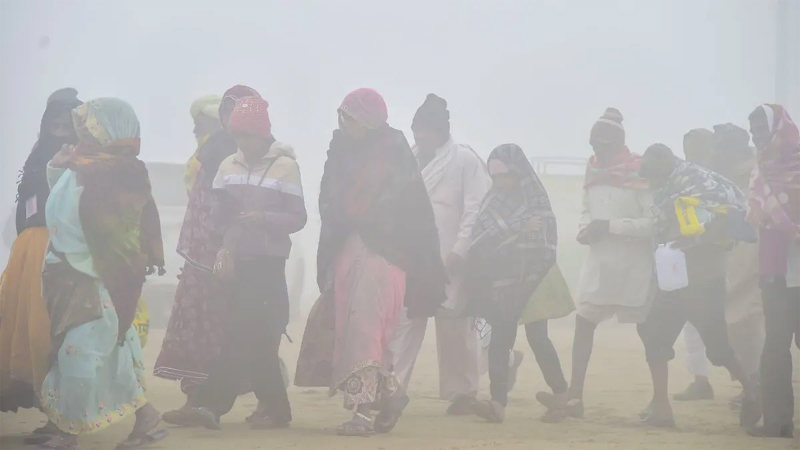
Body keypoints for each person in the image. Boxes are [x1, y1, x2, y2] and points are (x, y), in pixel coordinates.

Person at [295, 88, 446, 436]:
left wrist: (360, 214)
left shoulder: (393, 152)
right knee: (353, 331)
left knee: (365, 330)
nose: (343, 124)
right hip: (347, 250)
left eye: (350, 118)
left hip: (385, 254)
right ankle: (391, 393)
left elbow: (408, 210)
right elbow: (329, 201)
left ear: (368, 120)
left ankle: (362, 413)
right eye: (342, 116)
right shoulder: (341, 152)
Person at [155, 85, 292, 424]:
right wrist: (225, 245)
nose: (236, 129)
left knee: (247, 332)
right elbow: (220, 210)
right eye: (229, 116)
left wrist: (261, 219)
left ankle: (218, 405)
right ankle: (214, 405)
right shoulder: (224, 157)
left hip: (260, 262)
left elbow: (295, 215)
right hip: (223, 257)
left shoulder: (280, 163)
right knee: (237, 332)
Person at [38, 97, 168, 449]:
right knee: (109, 355)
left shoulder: (120, 172)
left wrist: (97, 267)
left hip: (98, 280)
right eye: (81, 128)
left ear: (111, 131)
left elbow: (115, 235)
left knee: (78, 356)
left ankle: (68, 433)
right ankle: (147, 420)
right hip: (70, 277)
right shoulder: (84, 165)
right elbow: (63, 206)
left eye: (90, 128)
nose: (82, 135)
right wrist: (57, 167)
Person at [538, 108, 655, 420]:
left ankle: (660, 400)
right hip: (600, 263)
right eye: (592, 144)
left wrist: (611, 226)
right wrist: (585, 229)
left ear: (618, 143)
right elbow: (586, 211)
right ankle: (575, 398)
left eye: (602, 145)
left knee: (649, 332)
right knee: (584, 322)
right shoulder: (593, 171)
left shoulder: (640, 172)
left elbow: (653, 224)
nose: (596, 150)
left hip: (634, 267)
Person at [637, 143, 760, 429]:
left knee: (717, 346)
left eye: (656, 177)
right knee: (654, 334)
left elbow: (731, 220)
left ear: (668, 169)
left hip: (704, 279)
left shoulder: (702, 185)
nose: (653, 183)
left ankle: (753, 391)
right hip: (675, 276)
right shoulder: (667, 189)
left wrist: (695, 237)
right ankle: (661, 406)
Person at [388, 94, 489, 415]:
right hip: (414, 259)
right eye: (416, 129)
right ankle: (392, 389)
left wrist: (460, 250)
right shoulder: (407, 160)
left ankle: (464, 393)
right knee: (406, 321)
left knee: (455, 327)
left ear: (441, 131)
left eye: (425, 130)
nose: (419, 136)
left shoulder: (465, 160)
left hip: (451, 259)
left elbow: (476, 209)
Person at [465, 144, 569, 423]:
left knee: (538, 338)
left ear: (518, 172)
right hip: (503, 282)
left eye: (506, 175)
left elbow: (543, 241)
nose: (501, 182)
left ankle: (561, 396)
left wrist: (517, 233)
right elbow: (480, 239)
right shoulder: (493, 200)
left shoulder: (535, 199)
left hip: (534, 279)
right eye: (496, 177)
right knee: (500, 341)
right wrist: (517, 227)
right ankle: (497, 404)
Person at [0, 89, 81, 428]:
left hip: (58, 249)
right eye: (54, 126)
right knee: (21, 328)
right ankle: (50, 415)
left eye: (66, 126)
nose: (60, 133)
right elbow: (25, 202)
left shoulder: (79, 158)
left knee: (48, 332)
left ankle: (60, 419)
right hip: (28, 248)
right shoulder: (38, 155)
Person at [675, 125, 765, 407]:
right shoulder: (712, 176)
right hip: (720, 256)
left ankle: (756, 385)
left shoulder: (755, 175)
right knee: (722, 319)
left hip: (749, 254)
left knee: (745, 318)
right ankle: (747, 384)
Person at [747, 104, 800, 438]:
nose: (757, 137)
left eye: (762, 130)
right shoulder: (760, 172)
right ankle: (777, 421)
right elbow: (755, 216)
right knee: (776, 348)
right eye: (753, 132)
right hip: (775, 273)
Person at [184, 95, 222, 194]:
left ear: (215, 124)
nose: (195, 131)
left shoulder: (223, 156)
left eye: (199, 124)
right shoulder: (202, 152)